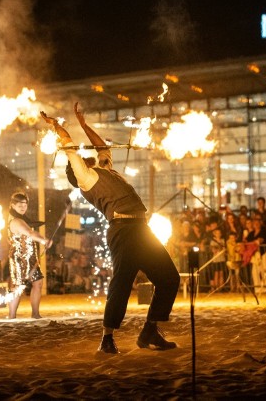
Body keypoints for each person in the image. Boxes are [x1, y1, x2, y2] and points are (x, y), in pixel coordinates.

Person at [42, 103, 180, 354]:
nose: (87, 155)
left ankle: (150, 330)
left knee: (169, 278)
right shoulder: (86, 178)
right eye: (81, 159)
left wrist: (84, 125)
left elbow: (101, 147)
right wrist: (56, 126)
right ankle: (107, 338)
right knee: (122, 284)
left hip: (141, 229)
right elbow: (69, 146)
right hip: (123, 231)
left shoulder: (104, 169)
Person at [7, 192, 51, 319]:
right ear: (13, 205)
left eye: (25, 204)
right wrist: (44, 240)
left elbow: (32, 230)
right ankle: (12, 316)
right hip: (19, 257)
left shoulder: (23, 219)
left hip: (31, 256)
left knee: (38, 282)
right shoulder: (16, 220)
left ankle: (35, 314)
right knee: (18, 286)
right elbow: (29, 232)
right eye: (19, 204)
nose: (23, 207)